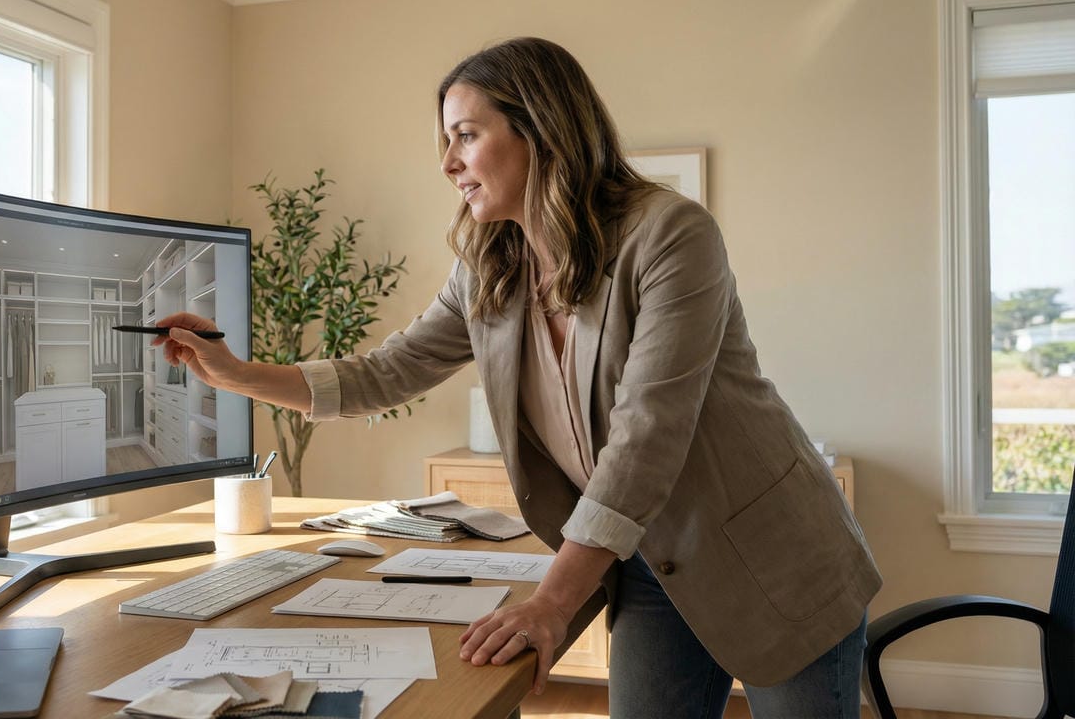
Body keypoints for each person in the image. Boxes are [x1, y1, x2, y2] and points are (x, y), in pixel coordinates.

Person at [154, 36, 880, 719]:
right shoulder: (486, 270)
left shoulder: (670, 235)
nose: (447, 162)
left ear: (542, 130)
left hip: (776, 560)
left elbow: (646, 435)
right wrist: (235, 373)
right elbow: (385, 372)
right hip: (647, 565)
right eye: (447, 140)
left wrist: (551, 604)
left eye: (466, 135)